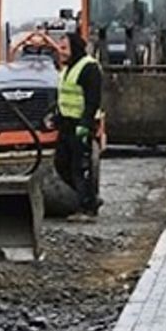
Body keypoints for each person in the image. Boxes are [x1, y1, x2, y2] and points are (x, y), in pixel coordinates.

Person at [54, 30, 103, 215]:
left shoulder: (89, 68)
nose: (61, 51)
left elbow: (92, 100)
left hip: (80, 126)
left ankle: (87, 207)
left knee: (79, 167)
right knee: (61, 164)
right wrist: (56, 117)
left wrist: (85, 123)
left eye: (64, 48)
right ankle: (89, 198)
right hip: (66, 125)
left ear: (74, 47)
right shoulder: (67, 69)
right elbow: (64, 97)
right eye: (60, 48)